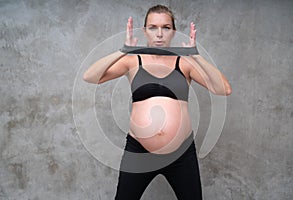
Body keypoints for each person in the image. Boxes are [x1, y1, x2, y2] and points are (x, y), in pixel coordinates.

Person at [83, 4, 231, 200]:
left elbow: (223, 89)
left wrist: (197, 57)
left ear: (174, 31)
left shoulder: (185, 63)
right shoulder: (133, 61)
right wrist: (123, 51)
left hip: (181, 153)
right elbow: (90, 76)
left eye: (166, 27)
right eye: (153, 27)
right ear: (144, 31)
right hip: (139, 152)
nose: (159, 34)